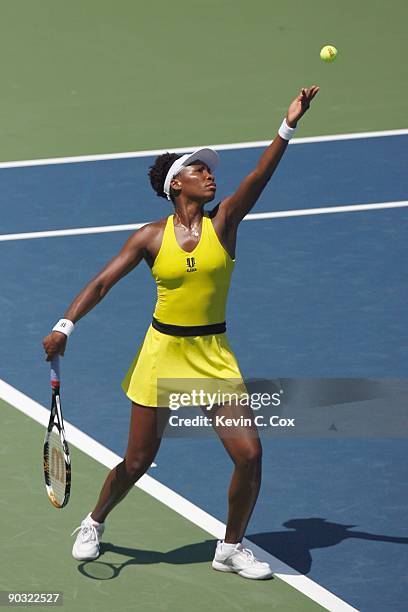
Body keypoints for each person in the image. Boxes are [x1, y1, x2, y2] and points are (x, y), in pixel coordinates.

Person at [43, 85, 319, 580]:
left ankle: (230, 548)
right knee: (137, 461)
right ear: (176, 185)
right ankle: (93, 521)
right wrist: (65, 325)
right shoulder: (151, 237)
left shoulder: (225, 224)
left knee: (250, 455)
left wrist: (288, 123)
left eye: (210, 169)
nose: (210, 175)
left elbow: (261, 174)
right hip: (162, 353)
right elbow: (104, 281)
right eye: (199, 169)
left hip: (212, 355)